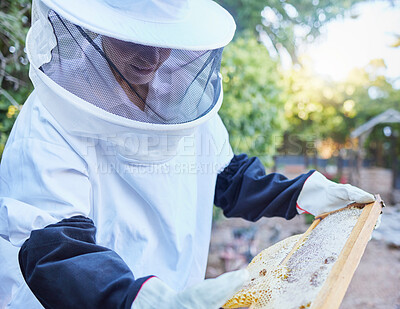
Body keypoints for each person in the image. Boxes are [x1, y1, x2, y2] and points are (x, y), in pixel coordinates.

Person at [0, 0, 375, 308]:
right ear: (100, 24)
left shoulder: (180, 98)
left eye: (167, 39)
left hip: (178, 290)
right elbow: (53, 247)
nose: (155, 56)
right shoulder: (49, 120)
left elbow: (224, 175)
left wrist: (300, 192)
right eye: (136, 37)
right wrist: (135, 300)